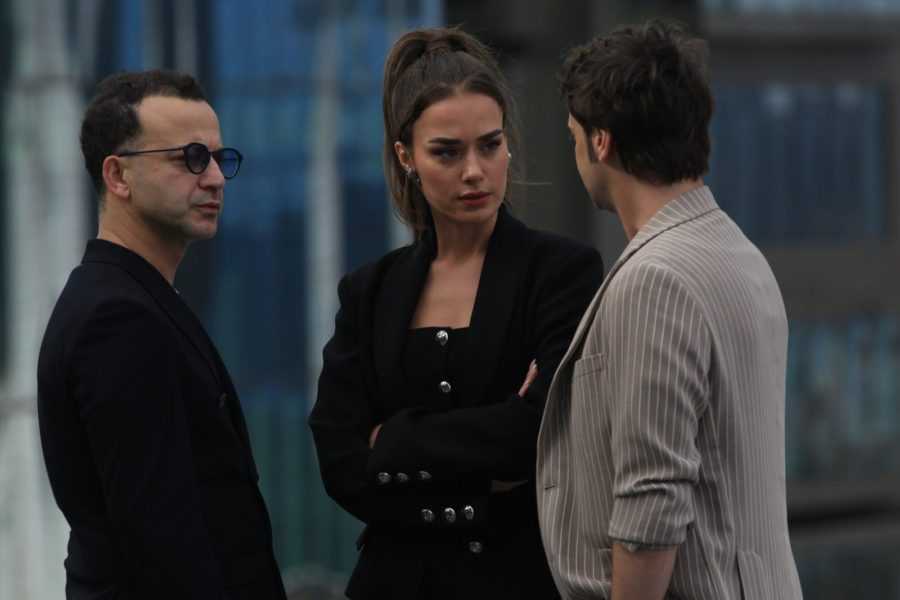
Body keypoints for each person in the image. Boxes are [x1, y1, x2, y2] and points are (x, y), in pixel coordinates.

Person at [308, 27, 604, 600]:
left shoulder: (561, 273)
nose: (474, 170)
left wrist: (392, 441)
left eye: (490, 145)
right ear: (407, 157)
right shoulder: (370, 291)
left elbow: (542, 433)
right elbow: (338, 458)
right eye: (447, 151)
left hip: (515, 583)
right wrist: (481, 482)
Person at [535, 20, 804, 600]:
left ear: (600, 141)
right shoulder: (739, 252)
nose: (575, 151)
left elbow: (651, 503)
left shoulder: (654, 280)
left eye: (574, 135)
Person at [37, 70, 287, 600]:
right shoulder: (116, 318)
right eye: (190, 158)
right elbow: (160, 537)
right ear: (118, 176)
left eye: (219, 158)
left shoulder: (134, 298)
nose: (215, 178)